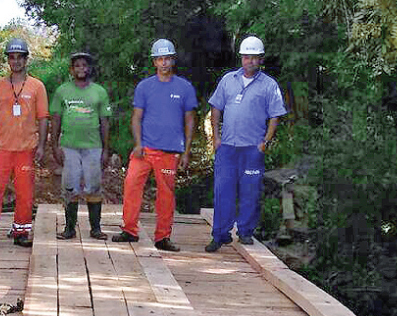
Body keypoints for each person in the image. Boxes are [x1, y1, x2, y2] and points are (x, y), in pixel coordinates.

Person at [111, 39, 197, 252]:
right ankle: (129, 230)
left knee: (166, 194)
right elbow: (136, 118)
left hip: (170, 152)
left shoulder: (184, 88)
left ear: (173, 60)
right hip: (145, 150)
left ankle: (163, 237)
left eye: (167, 58)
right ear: (154, 62)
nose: (164, 63)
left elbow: (190, 120)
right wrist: (138, 144)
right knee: (131, 185)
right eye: (160, 59)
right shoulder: (145, 87)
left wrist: (186, 151)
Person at [205, 35, 287, 252]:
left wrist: (265, 142)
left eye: (254, 58)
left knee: (250, 191)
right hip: (228, 147)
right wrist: (216, 138)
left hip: (252, 148)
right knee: (223, 191)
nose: (249, 61)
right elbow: (216, 107)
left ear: (261, 59)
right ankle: (220, 234)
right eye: (246, 57)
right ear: (241, 58)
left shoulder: (269, 85)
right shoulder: (228, 80)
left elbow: (275, 116)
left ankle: (246, 232)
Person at [0, 38, 49, 248]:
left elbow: (43, 118)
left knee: (25, 192)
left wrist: (41, 146)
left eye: (19, 57)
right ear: (8, 60)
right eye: (12, 57)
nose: (15, 61)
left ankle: (21, 232)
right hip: (2, 148)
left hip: (26, 148)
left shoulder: (37, 86)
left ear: (26, 60)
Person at [49, 52, 112, 240]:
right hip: (69, 147)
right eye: (77, 66)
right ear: (71, 69)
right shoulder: (62, 91)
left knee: (94, 186)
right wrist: (54, 145)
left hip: (93, 147)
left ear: (89, 68)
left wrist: (106, 149)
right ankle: (69, 228)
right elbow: (56, 119)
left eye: (84, 65)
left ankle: (96, 228)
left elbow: (105, 122)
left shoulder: (99, 91)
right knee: (70, 187)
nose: (81, 69)